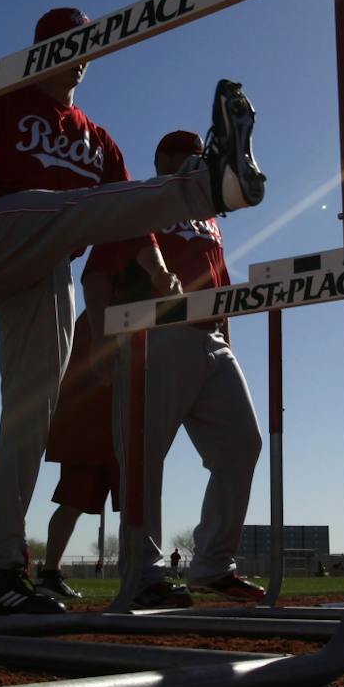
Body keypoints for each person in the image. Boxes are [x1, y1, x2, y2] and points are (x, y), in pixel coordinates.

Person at [0, 9, 266, 616]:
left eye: (87, 47)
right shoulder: (1, 103)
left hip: (46, 273)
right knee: (74, 207)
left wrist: (158, 272)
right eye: (68, 45)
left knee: (28, 416)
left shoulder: (99, 139)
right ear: (41, 49)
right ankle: (209, 183)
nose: (80, 58)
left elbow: (125, 214)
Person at [102, 130, 267, 608]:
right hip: (158, 329)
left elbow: (221, 280)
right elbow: (111, 256)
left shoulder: (210, 216)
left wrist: (227, 337)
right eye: (188, 154)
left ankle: (213, 564)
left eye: (202, 154)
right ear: (165, 159)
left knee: (242, 444)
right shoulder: (148, 197)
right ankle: (143, 571)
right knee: (144, 454)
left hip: (211, 334)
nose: (199, 160)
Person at [38, 322, 118, 604]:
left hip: (104, 418)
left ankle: (144, 573)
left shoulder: (95, 317)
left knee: (136, 503)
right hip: (91, 421)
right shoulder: (95, 317)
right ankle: (49, 571)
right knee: (73, 500)